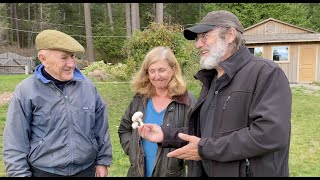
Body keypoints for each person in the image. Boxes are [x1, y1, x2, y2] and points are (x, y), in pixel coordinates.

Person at [138, 10, 292, 177]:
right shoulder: (212, 79)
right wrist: (167, 135)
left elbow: (270, 134)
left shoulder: (266, 73)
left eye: (205, 36)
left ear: (230, 35)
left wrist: (205, 149)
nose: (198, 44)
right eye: (198, 39)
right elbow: (206, 133)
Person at [2, 29, 112, 177]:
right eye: (64, 58)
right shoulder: (26, 91)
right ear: (43, 58)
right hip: (44, 172)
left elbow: (101, 127)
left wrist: (102, 162)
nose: (72, 64)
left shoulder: (87, 86)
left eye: (72, 56)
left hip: (86, 170)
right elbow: (15, 140)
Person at [118, 46, 197, 177]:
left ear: (173, 70)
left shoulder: (186, 100)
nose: (156, 76)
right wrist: (132, 150)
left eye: (161, 70)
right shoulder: (140, 98)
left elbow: (195, 137)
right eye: (152, 71)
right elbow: (124, 129)